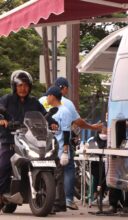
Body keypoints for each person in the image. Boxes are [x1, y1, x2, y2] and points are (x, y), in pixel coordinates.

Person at [39, 77, 103, 210]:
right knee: (65, 171)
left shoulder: (41, 101)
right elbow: (77, 123)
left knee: (52, 171)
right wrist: (93, 127)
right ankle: (66, 199)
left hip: (44, 144)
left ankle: (52, 201)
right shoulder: (66, 104)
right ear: (64, 89)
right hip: (58, 145)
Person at [0, 70, 57, 208]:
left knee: (47, 159)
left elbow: (44, 115)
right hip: (10, 139)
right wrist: (2, 119)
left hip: (29, 140)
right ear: (14, 86)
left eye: (26, 85)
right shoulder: (7, 99)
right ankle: (1, 194)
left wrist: (53, 122)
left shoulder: (34, 102)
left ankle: (46, 198)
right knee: (4, 165)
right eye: (20, 85)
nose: (23, 88)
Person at [45, 86, 73, 213]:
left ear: (52, 96)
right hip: (52, 148)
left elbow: (67, 132)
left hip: (61, 149)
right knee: (54, 176)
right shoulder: (51, 111)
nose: (46, 98)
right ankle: (59, 203)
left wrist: (65, 152)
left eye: (48, 95)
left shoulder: (65, 111)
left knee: (57, 177)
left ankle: (57, 203)